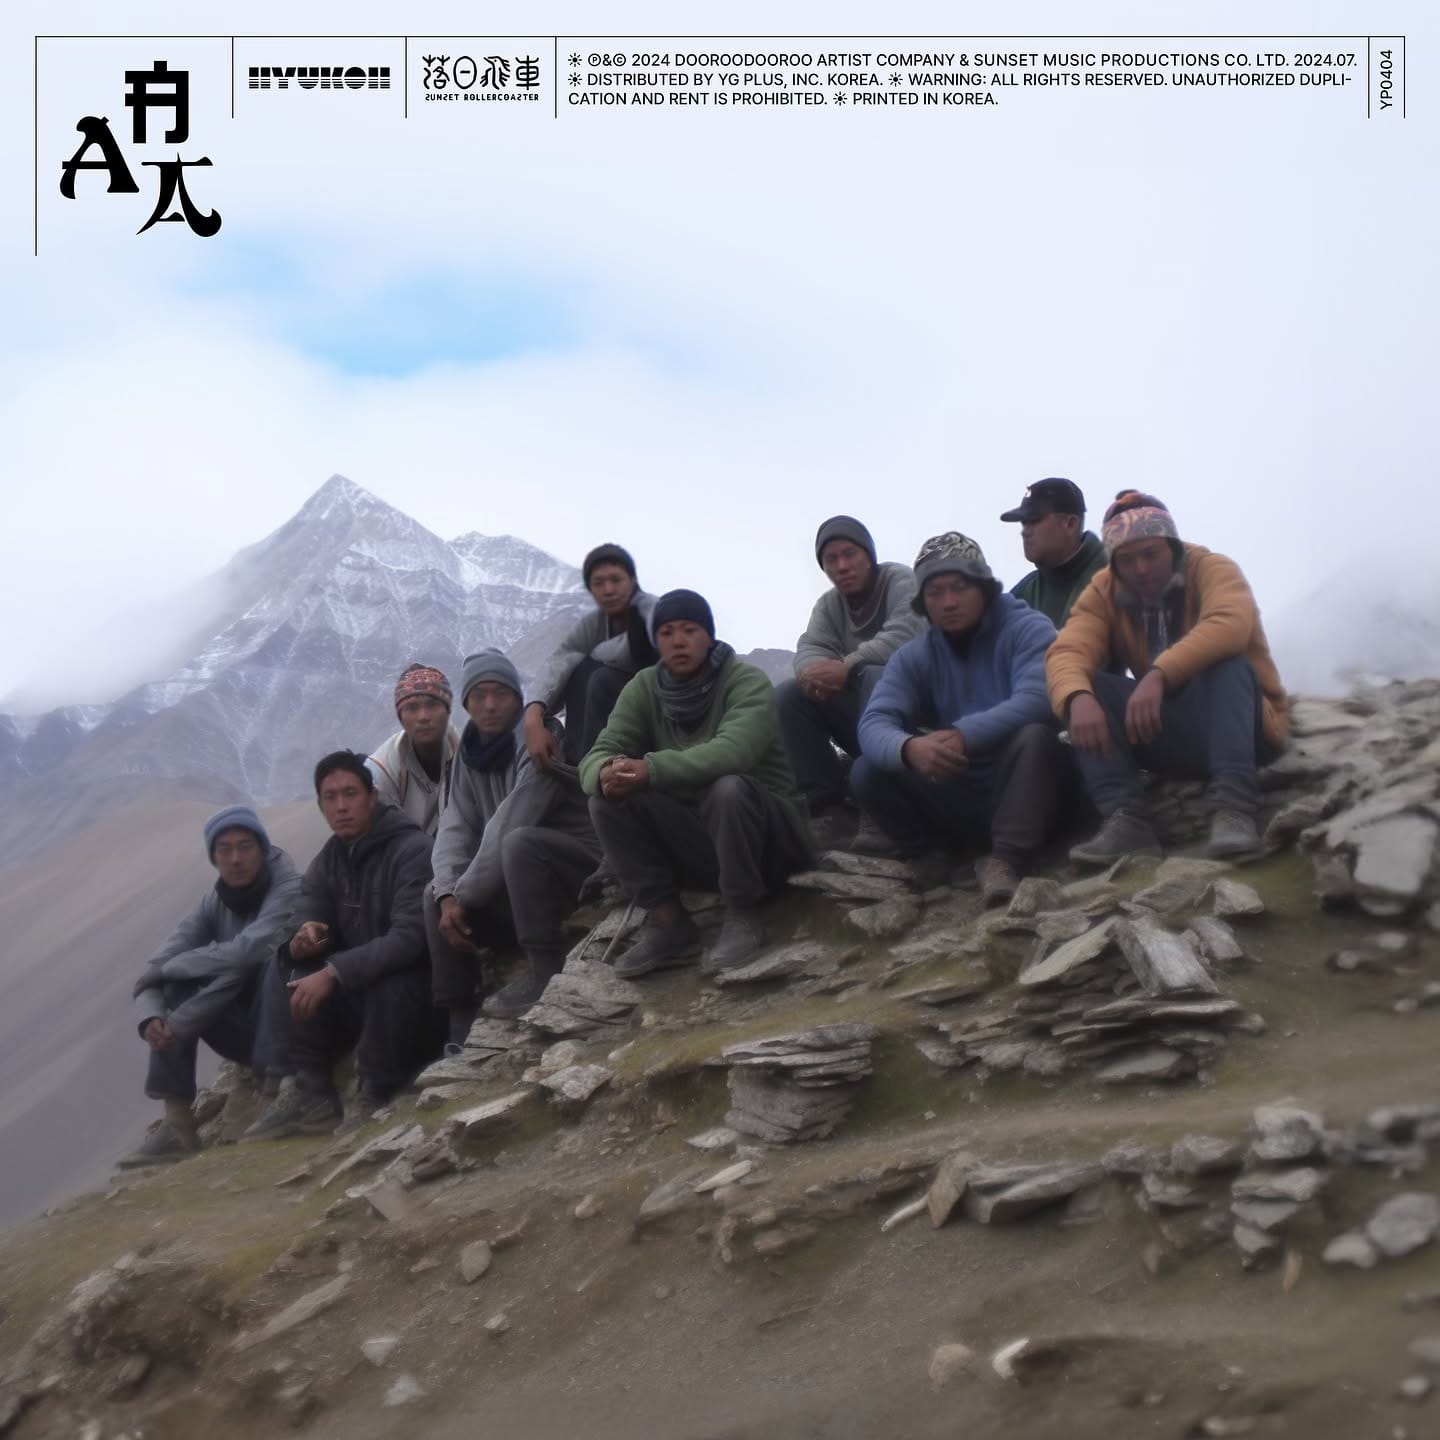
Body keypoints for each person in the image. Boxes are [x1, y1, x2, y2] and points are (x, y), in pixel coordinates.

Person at [1046, 491, 1290, 864]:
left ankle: (1234, 810)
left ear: (1172, 547)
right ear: (1114, 564)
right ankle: (1126, 821)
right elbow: (1067, 651)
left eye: (1151, 554)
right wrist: (1077, 697)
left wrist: (1159, 675)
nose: (1141, 568)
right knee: (1085, 688)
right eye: (1127, 560)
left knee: (1227, 664)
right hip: (1168, 730)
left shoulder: (1211, 568)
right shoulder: (1103, 591)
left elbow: (1230, 624)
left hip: (1246, 729)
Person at [581, 589, 813, 977]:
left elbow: (733, 752)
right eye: (667, 632)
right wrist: (604, 771)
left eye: (689, 630)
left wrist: (650, 769)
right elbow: (597, 753)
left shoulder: (746, 681)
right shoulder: (644, 687)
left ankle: (743, 913)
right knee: (606, 800)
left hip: (771, 844)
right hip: (705, 844)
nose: (678, 641)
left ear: (709, 635)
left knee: (727, 788)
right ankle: (669, 922)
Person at [853, 533, 1066, 906]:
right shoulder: (913, 657)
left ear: (983, 588)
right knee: (868, 769)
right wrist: (908, 748)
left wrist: (963, 734)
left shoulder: (1028, 628)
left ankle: (1007, 859)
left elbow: (1039, 698)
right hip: (962, 789)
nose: (948, 602)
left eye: (960, 588)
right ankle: (929, 856)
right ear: (922, 602)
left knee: (1035, 738)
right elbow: (874, 722)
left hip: (1032, 787)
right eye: (935, 592)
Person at [245, 752, 436, 1138]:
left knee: (392, 980)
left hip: (417, 999)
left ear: (372, 797)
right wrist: (303, 941)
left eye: (350, 794)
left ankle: (375, 1092)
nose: (341, 806)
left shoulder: (412, 849)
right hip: (357, 994)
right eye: (330, 798)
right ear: (320, 806)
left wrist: (335, 971)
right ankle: (311, 1089)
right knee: (289, 968)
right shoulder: (328, 861)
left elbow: (410, 939)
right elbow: (304, 917)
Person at [120, 806, 302, 1166]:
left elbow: (249, 951)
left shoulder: (289, 887)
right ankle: (177, 1124)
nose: (235, 859)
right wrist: (151, 1017)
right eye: (224, 849)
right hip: (248, 1034)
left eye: (245, 846)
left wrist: (172, 971)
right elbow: (157, 968)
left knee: (273, 963)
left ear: (263, 849)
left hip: (293, 1029)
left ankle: (277, 1094)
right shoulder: (214, 902)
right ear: (213, 857)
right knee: (175, 988)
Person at [427, 649, 599, 1028]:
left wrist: (462, 895)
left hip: (574, 871)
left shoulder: (542, 738)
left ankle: (544, 968)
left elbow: (512, 820)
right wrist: (447, 893)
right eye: (479, 695)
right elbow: (455, 823)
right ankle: (459, 1016)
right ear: (466, 703)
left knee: (518, 841)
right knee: (434, 893)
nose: (490, 705)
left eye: (501, 694)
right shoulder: (469, 751)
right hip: (517, 879)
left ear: (518, 698)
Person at [775, 516, 924, 827]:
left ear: (869, 555)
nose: (842, 566)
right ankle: (826, 807)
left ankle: (880, 804)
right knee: (789, 695)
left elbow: (904, 638)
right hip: (862, 721)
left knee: (874, 675)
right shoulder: (829, 605)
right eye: (831, 559)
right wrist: (812, 674)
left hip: (917, 718)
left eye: (849, 554)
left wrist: (847, 666)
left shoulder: (901, 581)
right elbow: (812, 645)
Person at [523, 543, 658, 770]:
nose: (608, 590)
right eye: (598, 583)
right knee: (577, 670)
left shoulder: (655, 611)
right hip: (609, 721)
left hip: (659, 716)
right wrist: (533, 713)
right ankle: (580, 764)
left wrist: (592, 651)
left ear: (632, 581)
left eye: (616, 580)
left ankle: (601, 766)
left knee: (601, 677)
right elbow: (561, 659)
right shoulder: (596, 623)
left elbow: (628, 653)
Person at [999, 477, 1108, 629]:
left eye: (1034, 520)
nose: (1025, 532)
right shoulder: (1025, 592)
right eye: (1024, 523)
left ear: (1070, 524)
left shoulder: (1114, 576)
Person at [366, 663, 460, 837]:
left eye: (432, 705)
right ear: (400, 716)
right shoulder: (381, 772)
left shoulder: (466, 756)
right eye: (412, 707)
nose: (423, 717)